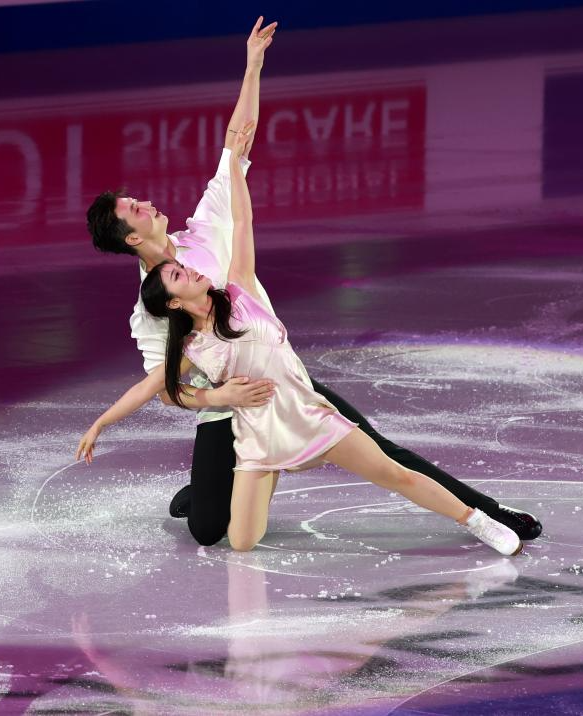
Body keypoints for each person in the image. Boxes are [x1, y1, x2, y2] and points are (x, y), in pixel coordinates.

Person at [84, 17, 542, 547]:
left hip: (281, 377)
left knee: (381, 450)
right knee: (208, 531)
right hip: (226, 409)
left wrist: (253, 67)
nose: (146, 202)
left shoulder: (207, 227)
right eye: (134, 209)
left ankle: (489, 511)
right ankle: (208, 490)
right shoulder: (149, 311)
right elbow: (166, 391)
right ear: (131, 239)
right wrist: (218, 397)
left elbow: (236, 146)